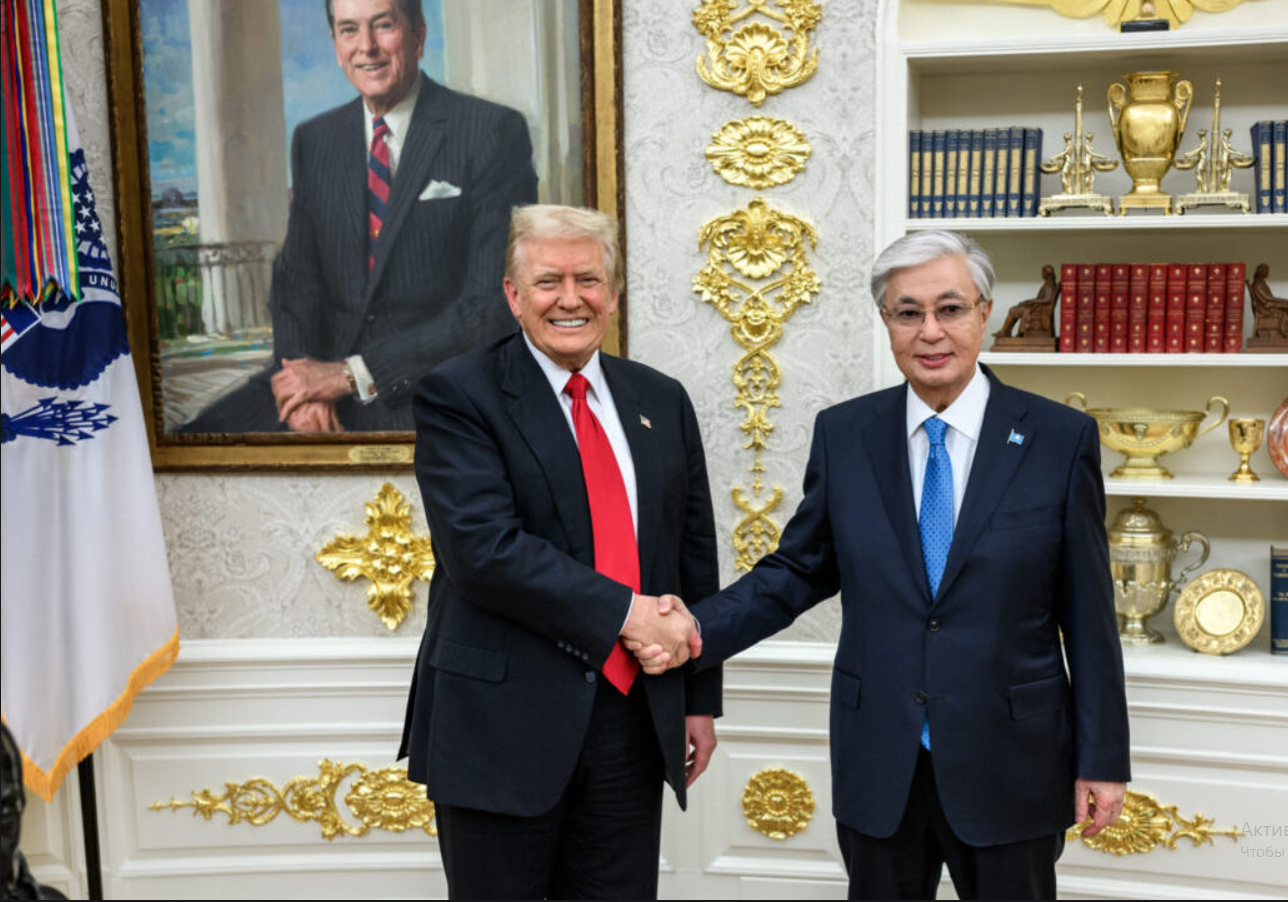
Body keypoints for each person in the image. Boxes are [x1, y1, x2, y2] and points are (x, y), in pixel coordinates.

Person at [635, 230, 1130, 900]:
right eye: (908, 313)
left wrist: (1103, 759)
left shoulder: (1058, 438)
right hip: (881, 760)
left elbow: (1090, 615)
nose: (931, 332)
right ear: (886, 321)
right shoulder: (846, 434)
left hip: (1011, 759)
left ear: (985, 312)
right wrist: (694, 629)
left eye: (950, 309)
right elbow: (797, 571)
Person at [399, 204, 721, 899]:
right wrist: (631, 615)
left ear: (614, 293)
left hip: (633, 721)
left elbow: (691, 552)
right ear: (514, 295)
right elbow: (483, 550)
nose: (570, 299)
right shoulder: (459, 394)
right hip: (500, 726)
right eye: (549, 281)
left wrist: (698, 698)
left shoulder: (661, 399)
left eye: (588, 280)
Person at [184, 0, 537, 433]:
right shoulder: (316, 140)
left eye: (383, 25)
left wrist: (349, 375)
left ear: (418, 34)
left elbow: (490, 304)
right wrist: (303, 385)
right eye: (349, 30)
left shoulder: (490, 132)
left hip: (427, 384)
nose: (366, 47)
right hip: (320, 379)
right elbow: (295, 282)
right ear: (335, 44)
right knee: (188, 447)